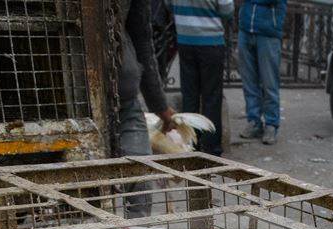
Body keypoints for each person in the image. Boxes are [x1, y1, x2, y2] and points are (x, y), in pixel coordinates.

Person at [119, 0, 175, 217]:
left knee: (140, 180)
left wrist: (159, 105)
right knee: (87, 188)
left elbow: (142, 38)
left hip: (125, 100)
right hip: (74, 103)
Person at [174, 0, 233, 155]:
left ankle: (191, 144)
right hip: (210, 41)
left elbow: (168, 4)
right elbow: (227, 9)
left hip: (185, 39)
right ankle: (212, 148)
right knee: (212, 98)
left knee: (189, 96)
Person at [237, 0, 286, 145]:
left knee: (269, 83)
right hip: (246, 29)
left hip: (268, 32)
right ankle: (254, 121)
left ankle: (271, 124)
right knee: (249, 82)